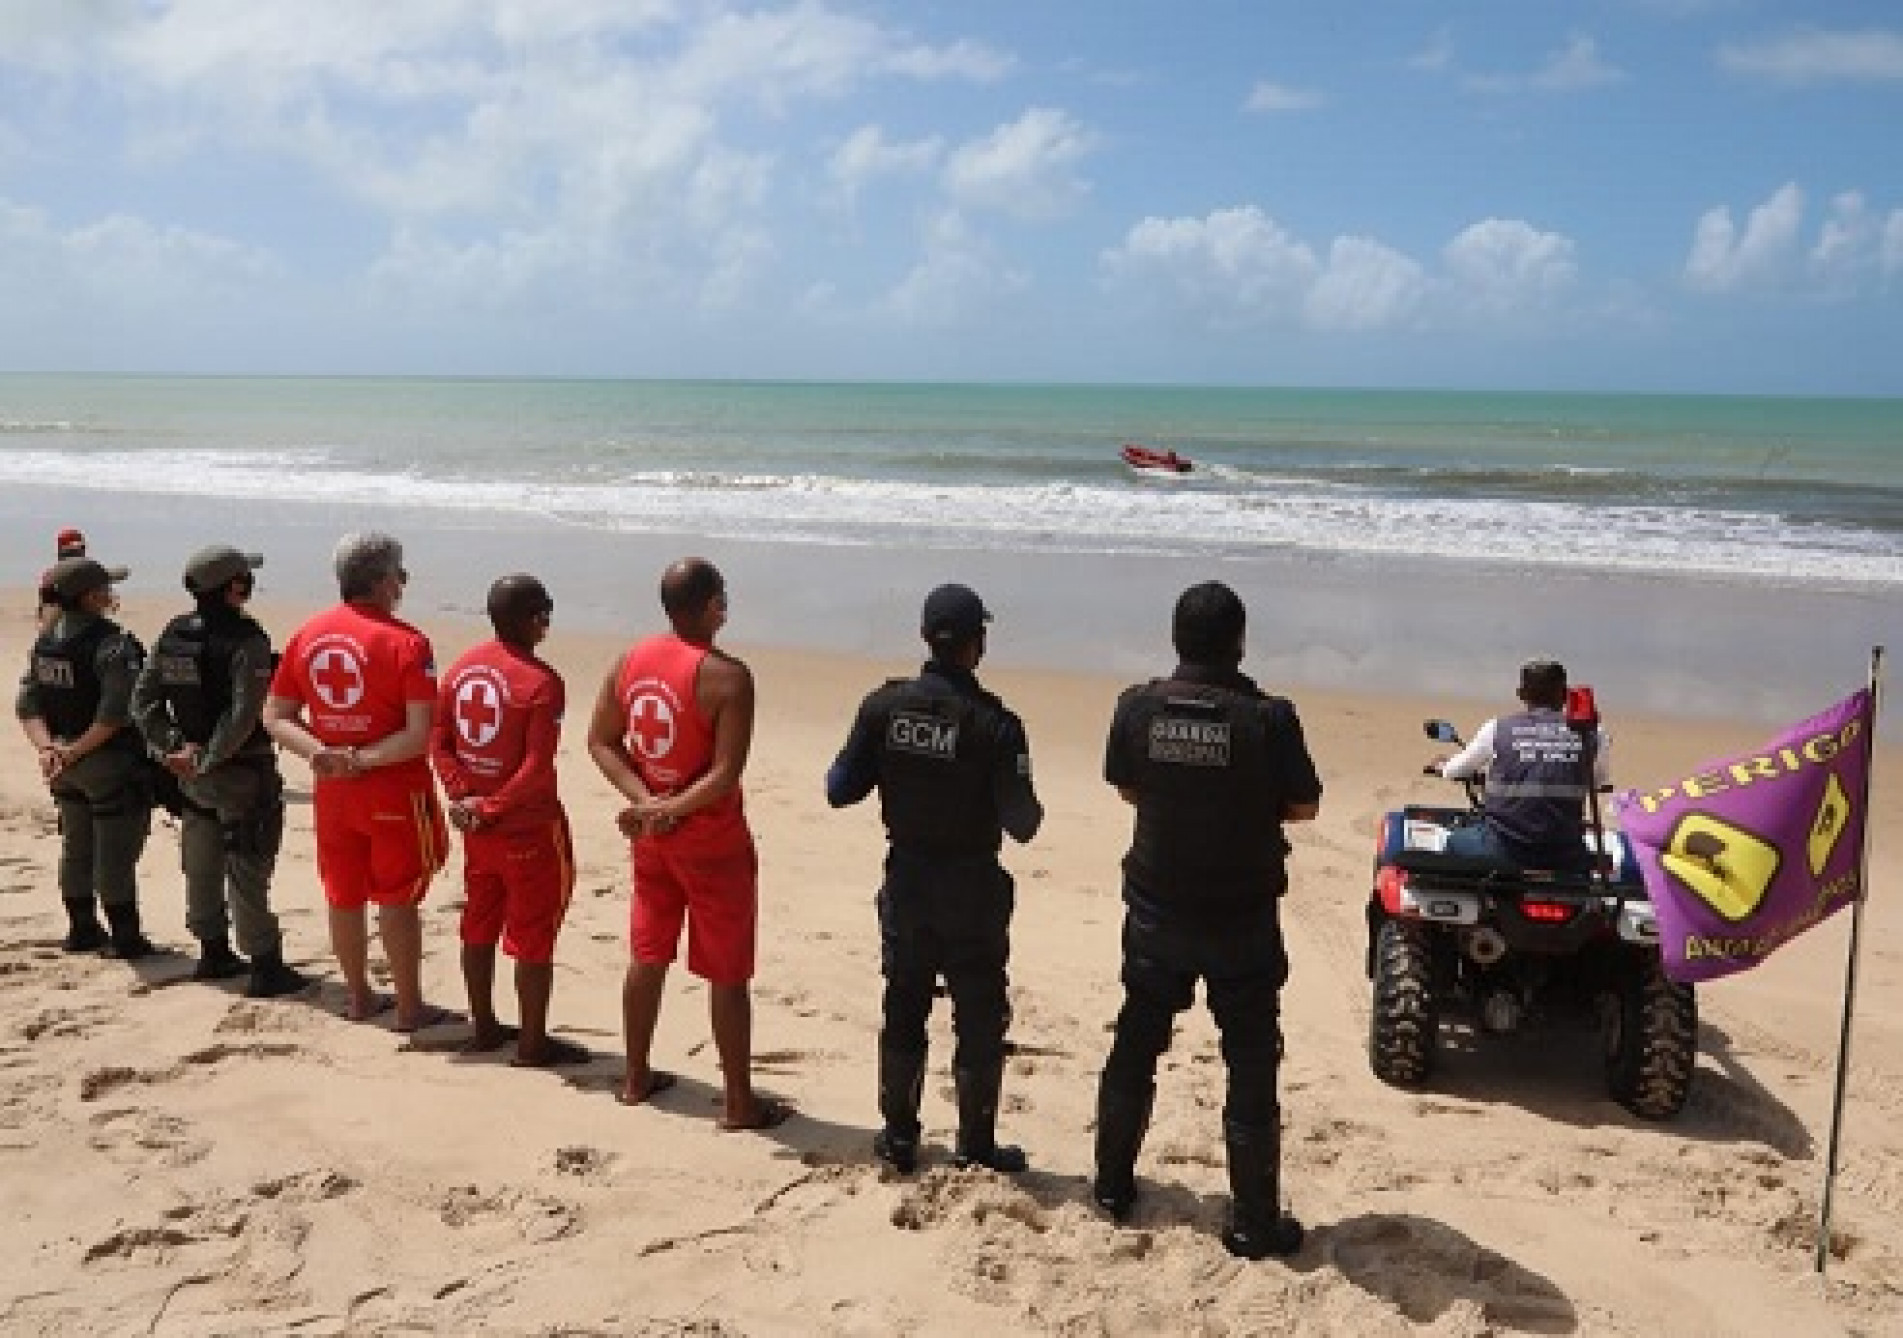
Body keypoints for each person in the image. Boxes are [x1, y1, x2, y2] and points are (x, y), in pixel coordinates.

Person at [1092, 581, 1321, 1260]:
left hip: (1158, 910)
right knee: (1249, 1058)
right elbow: (1303, 806)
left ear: (1175, 639)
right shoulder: (1266, 718)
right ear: (1239, 642)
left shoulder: (1136, 707)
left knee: (1137, 1036)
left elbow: (1127, 785)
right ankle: (1253, 1221)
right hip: (1239, 917)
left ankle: (1109, 1187)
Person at [825, 583, 1043, 1174]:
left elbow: (839, 789)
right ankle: (975, 1144)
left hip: (909, 881)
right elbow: (1022, 823)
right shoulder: (997, 726)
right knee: (979, 1013)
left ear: (925, 637)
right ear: (979, 644)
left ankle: (898, 1137)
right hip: (971, 888)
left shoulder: (882, 709)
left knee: (905, 1002)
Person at [586, 557, 788, 1130]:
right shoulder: (728, 676)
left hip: (654, 840)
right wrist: (666, 809)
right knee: (726, 971)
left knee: (647, 954)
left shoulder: (631, 661)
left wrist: (646, 803)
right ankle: (738, 1102)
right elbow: (724, 775)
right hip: (710, 839)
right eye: (722, 597)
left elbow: (601, 741)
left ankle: (634, 1077)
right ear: (711, 606)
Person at [263, 532, 453, 1032]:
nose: (403, 584)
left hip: (334, 792)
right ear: (385, 581)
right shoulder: (406, 642)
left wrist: (322, 753)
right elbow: (418, 734)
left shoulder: (308, 634)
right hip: (391, 789)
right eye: (401, 575)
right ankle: (409, 1006)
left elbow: (277, 715)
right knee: (397, 898)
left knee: (342, 893)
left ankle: (359, 996)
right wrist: (362, 758)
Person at [131, 545, 310, 998]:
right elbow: (245, 713)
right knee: (246, 863)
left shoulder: (174, 633)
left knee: (201, 860)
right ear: (233, 586)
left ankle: (213, 950)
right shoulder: (245, 638)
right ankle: (265, 964)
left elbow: (144, 701)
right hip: (237, 771)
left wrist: (172, 749)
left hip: (189, 771)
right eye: (244, 577)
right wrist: (206, 757)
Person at [429, 574, 587, 1067]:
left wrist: (463, 798)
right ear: (527, 618)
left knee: (479, 922)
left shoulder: (459, 671)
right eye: (544, 610)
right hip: (527, 828)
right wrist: (492, 807)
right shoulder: (542, 683)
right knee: (533, 933)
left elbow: (440, 742)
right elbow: (536, 765)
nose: (549, 620)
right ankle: (533, 1043)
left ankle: (484, 1027)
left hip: (478, 829)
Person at [16, 556, 156, 958]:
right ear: (91, 597)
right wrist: (74, 751)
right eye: (105, 589)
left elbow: (27, 704)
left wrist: (48, 749)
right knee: (115, 851)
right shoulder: (110, 644)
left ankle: (81, 929)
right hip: (103, 761)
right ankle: (127, 937)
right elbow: (114, 714)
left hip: (61, 763)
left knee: (76, 846)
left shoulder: (46, 640)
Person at [1433, 658, 1610, 872]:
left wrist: (1443, 767)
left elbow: (1456, 770)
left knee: (1453, 842)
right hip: (1565, 853)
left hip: (1502, 848)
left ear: (1521, 694)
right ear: (1565, 695)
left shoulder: (1497, 729)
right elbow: (1598, 780)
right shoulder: (1593, 734)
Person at [37, 528, 90, 634]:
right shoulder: (52, 576)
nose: (80, 552)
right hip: (62, 626)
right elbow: (45, 608)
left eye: (82, 548)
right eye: (74, 550)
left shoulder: (89, 572)